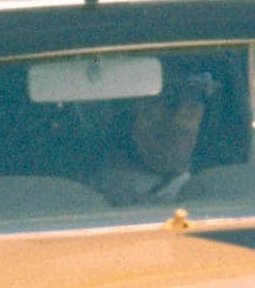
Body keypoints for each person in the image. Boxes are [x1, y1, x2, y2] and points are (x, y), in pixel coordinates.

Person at [87, 62, 216, 205]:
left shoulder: (220, 190)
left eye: (192, 104)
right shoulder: (94, 192)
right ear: (131, 115)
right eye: (165, 100)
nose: (178, 113)